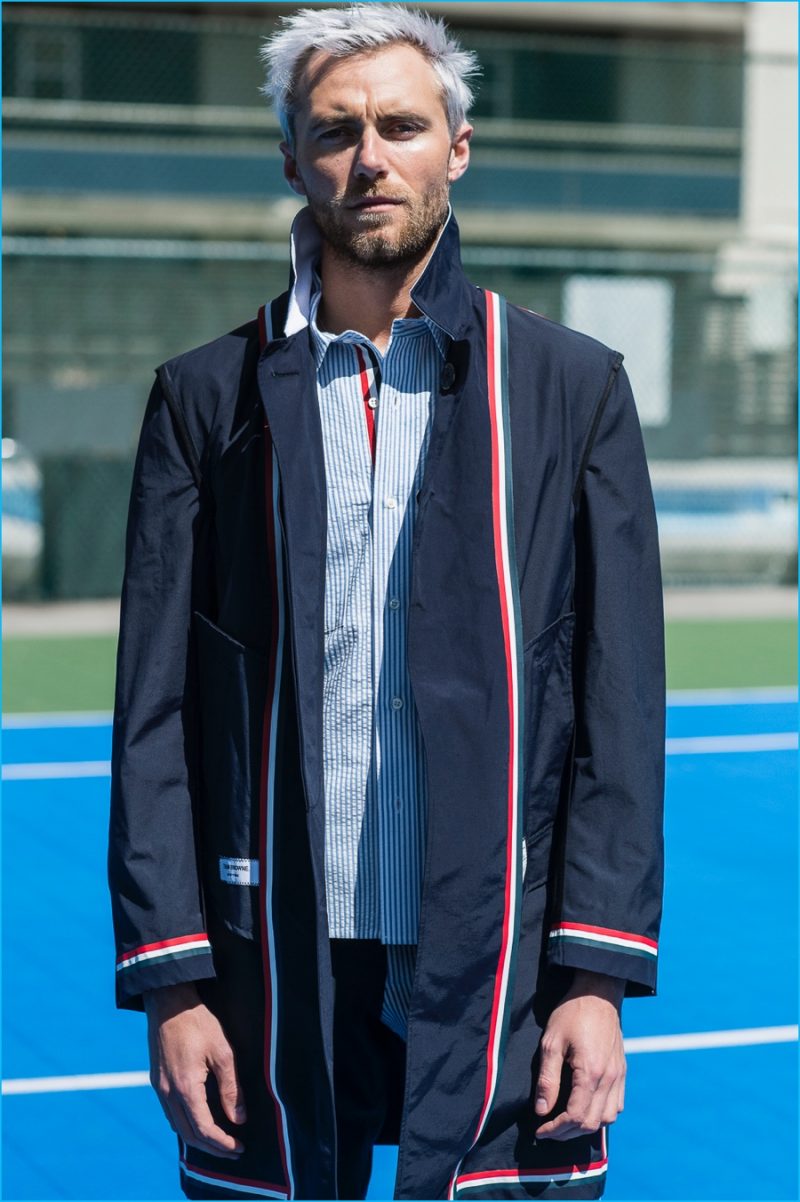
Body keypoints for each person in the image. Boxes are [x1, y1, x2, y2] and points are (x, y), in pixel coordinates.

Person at [108, 6, 665, 1200]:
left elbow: (617, 704)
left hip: (498, 949)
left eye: (402, 126)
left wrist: (593, 978)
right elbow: (152, 716)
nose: (371, 158)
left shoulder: (568, 390)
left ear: (455, 146)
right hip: (274, 952)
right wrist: (173, 980)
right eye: (335, 131)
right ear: (292, 161)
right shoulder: (208, 401)